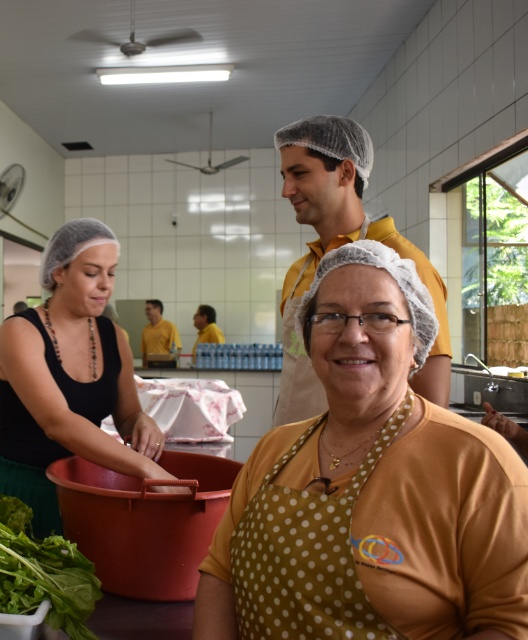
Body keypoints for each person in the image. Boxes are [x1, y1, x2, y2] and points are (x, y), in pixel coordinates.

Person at [193, 240, 528, 639]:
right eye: (331, 316)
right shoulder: (273, 450)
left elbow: (509, 625)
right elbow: (220, 574)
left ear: (416, 340)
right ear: (310, 336)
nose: (353, 336)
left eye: (380, 317)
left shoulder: (478, 463)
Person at [0, 219, 184, 538]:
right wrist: (147, 468)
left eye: (111, 272)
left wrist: (143, 421)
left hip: (80, 485)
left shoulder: (112, 336)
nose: (106, 285)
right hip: (18, 493)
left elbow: (127, 415)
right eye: (91, 273)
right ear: (58, 272)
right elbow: (57, 421)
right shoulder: (19, 332)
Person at [273, 114, 452, 427]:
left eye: (299, 174)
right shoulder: (299, 272)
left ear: (345, 172)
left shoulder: (406, 264)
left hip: (370, 463)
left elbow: (433, 402)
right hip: (296, 453)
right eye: (284, 176)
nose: (286, 190)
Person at [141, 299, 181, 367]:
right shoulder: (146, 329)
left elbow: (177, 351)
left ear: (158, 309)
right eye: (146, 310)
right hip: (150, 369)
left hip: (166, 369)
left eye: (148, 309)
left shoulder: (169, 327)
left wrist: (172, 367)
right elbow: (145, 354)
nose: (146, 312)